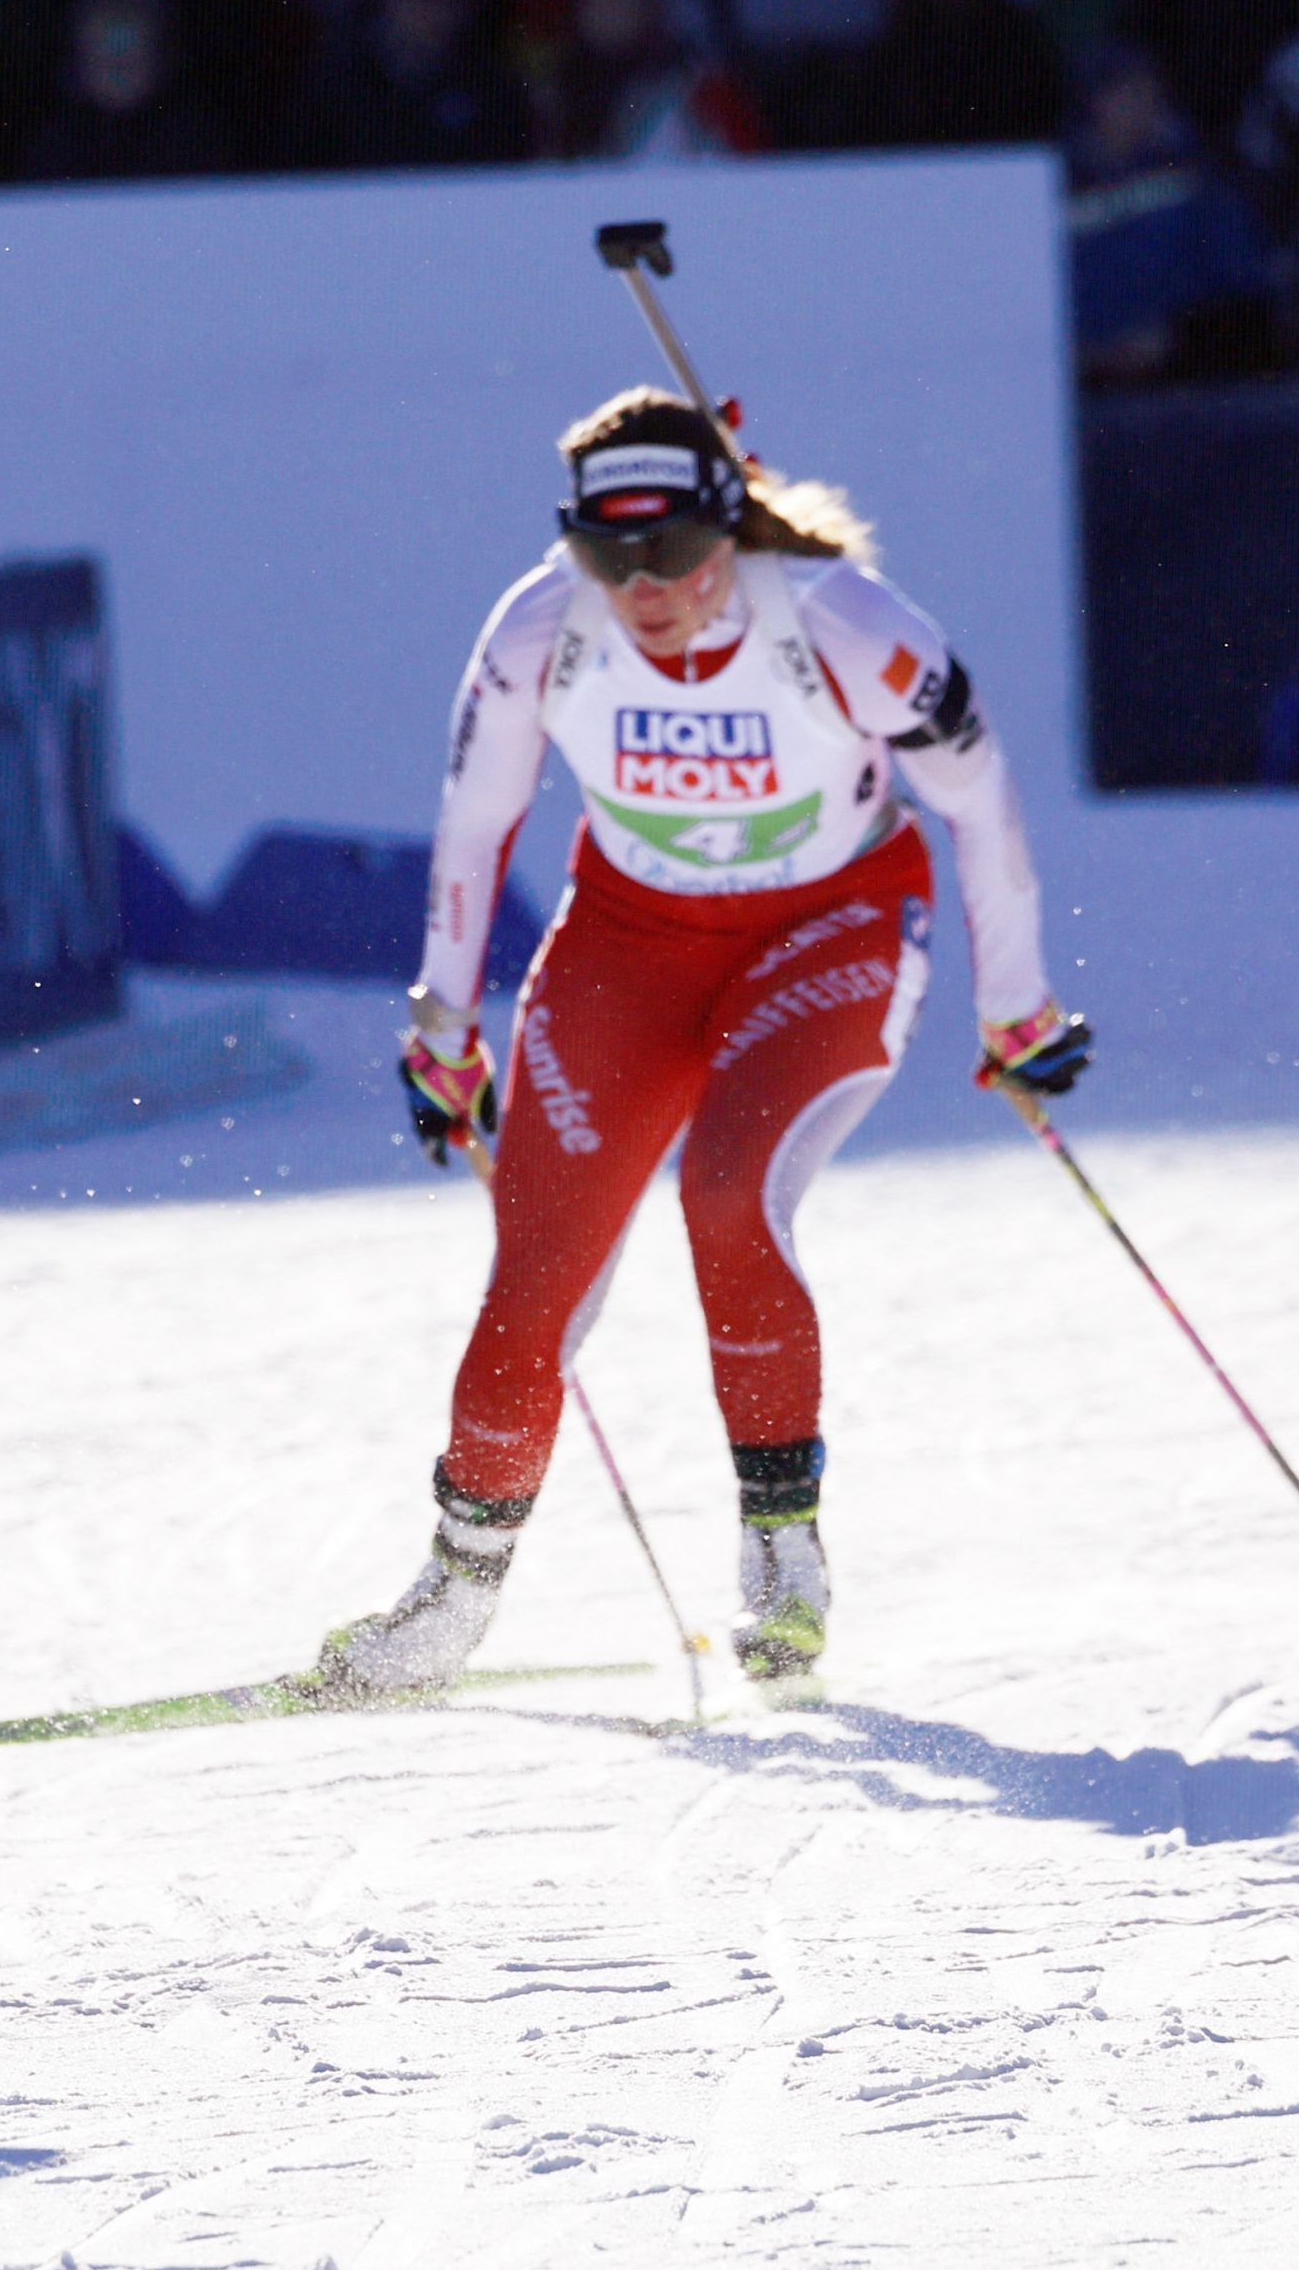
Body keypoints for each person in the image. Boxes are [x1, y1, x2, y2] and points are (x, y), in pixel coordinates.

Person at [319, 392, 1087, 1698]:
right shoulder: (534, 632)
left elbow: (975, 790)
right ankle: (448, 1596)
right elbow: (472, 824)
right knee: (534, 1274)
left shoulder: (841, 623)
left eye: (667, 551)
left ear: (724, 525)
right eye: (603, 554)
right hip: (627, 941)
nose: (641, 588)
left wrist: (1011, 1007)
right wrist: (442, 1024)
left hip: (827, 925)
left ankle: (779, 1557)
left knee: (725, 1190)